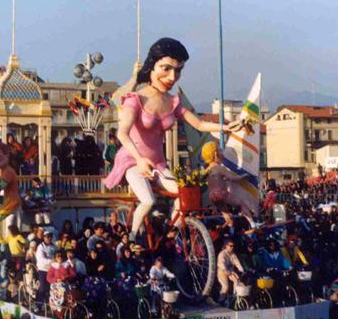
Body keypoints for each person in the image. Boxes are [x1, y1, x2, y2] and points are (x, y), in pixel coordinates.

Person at [104, 37, 243, 242]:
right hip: (133, 161)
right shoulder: (136, 99)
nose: (172, 76)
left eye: (177, 70)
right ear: (152, 66)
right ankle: (132, 237)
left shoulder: (172, 101)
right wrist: (140, 159)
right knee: (148, 200)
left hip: (158, 163)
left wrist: (226, 127)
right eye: (166, 68)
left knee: (184, 193)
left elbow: (199, 124)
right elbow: (122, 133)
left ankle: (172, 231)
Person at [201, 140, 256, 226]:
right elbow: (233, 178)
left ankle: (229, 226)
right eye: (220, 151)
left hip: (212, 196)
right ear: (215, 154)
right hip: (221, 194)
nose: (222, 154)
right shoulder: (219, 168)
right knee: (241, 203)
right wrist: (243, 176)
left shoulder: (206, 170)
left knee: (225, 212)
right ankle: (252, 223)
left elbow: (211, 180)